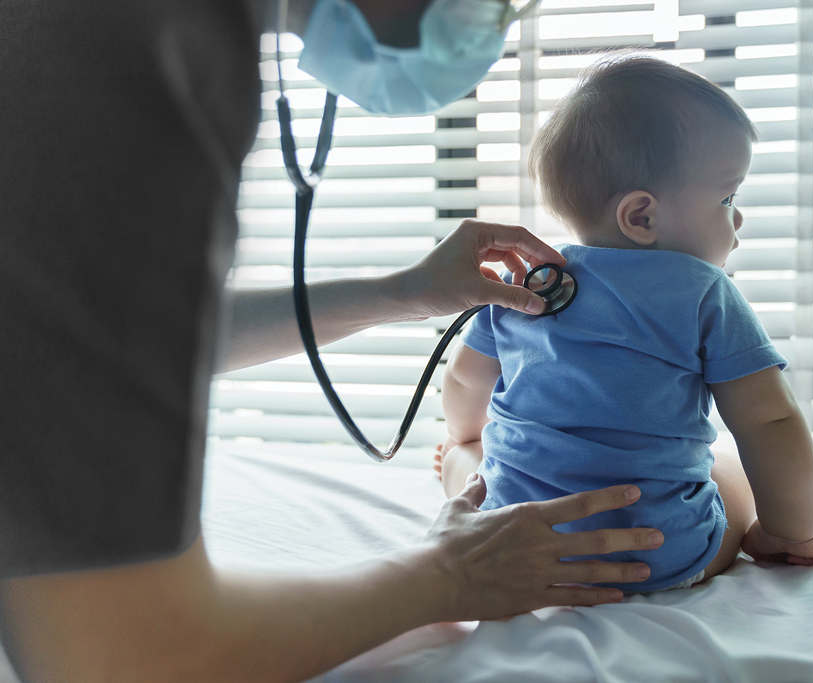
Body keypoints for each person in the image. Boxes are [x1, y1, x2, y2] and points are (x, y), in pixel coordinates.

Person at [0, 2, 665, 681]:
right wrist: (447, 574)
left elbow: (107, 327)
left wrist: (400, 292)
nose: (495, 20)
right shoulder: (132, 43)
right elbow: (126, 657)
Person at [437, 55, 813, 592]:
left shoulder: (526, 282)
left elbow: (464, 379)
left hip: (517, 545)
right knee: (727, 472)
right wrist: (794, 532)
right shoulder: (704, 294)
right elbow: (770, 422)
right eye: (727, 197)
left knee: (468, 463)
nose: (737, 218)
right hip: (656, 553)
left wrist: (465, 439)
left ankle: (456, 465)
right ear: (641, 217)